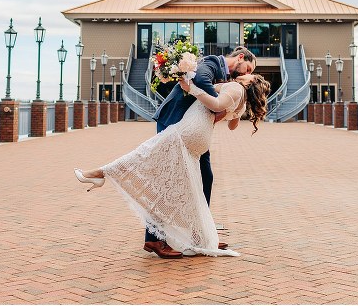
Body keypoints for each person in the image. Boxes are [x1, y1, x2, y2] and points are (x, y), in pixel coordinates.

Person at [74, 73, 271, 258]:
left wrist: (191, 88)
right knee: (187, 188)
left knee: (143, 156)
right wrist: (232, 110)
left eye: (250, 74)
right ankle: (198, 236)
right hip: (201, 138)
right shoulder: (242, 101)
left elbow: (217, 103)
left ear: (250, 81)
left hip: (189, 131)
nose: (246, 73)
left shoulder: (236, 88)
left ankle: (99, 173)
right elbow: (231, 124)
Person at [144, 45, 257, 257]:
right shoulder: (213, 63)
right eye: (248, 68)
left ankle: (202, 234)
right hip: (174, 122)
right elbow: (201, 81)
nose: (247, 74)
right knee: (169, 180)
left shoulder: (226, 76)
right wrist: (219, 103)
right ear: (240, 57)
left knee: (206, 178)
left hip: (192, 130)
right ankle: (153, 239)